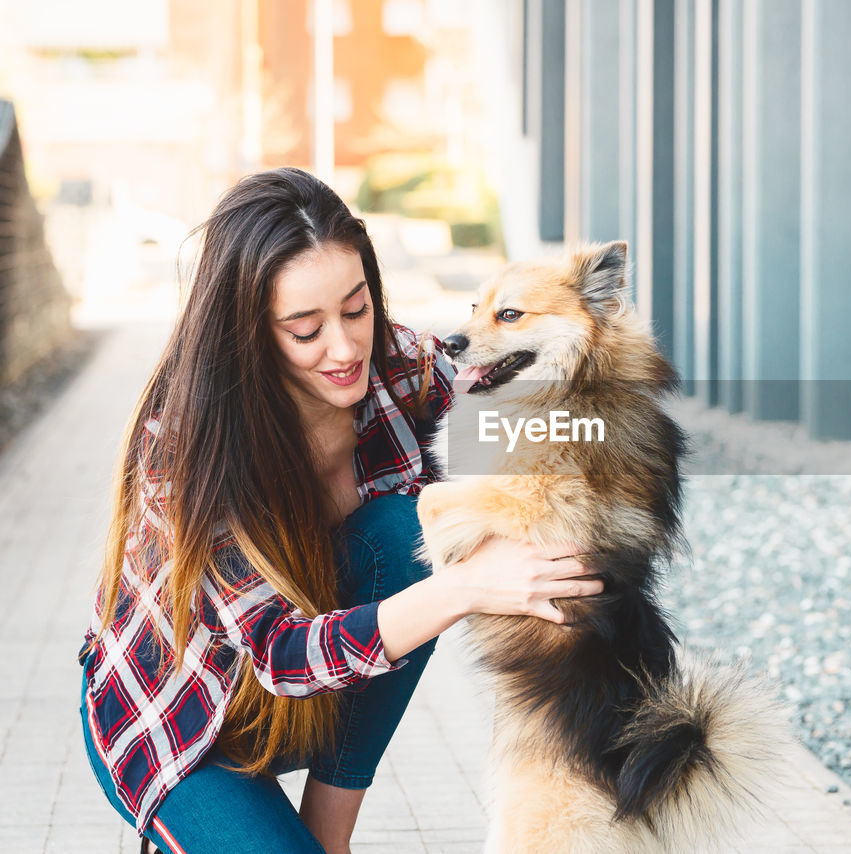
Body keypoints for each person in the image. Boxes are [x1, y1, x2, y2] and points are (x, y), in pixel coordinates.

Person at [78, 167, 603, 853]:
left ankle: (331, 838)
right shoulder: (185, 450)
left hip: (313, 702)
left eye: (357, 309)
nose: (346, 348)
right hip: (181, 723)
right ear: (250, 333)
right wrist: (467, 585)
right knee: (428, 560)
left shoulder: (405, 368)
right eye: (305, 329)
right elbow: (280, 651)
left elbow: (544, 435)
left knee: (400, 531)